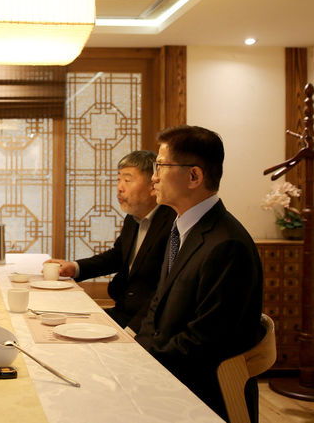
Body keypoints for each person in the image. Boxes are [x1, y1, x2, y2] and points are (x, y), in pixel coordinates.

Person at [135, 125, 263, 421]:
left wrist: (139, 361)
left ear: (194, 176)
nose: (153, 177)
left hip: (201, 395)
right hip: (167, 373)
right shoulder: (182, 227)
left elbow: (202, 343)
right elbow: (158, 306)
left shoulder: (227, 244)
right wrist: (134, 350)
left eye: (160, 166)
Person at [47, 150, 176, 333]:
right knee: (57, 326)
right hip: (122, 311)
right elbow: (117, 257)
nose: (119, 187)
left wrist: (132, 332)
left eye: (127, 180)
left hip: (148, 324)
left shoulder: (172, 223)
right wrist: (74, 267)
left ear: (152, 184)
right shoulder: (133, 219)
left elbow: (164, 291)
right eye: (118, 179)